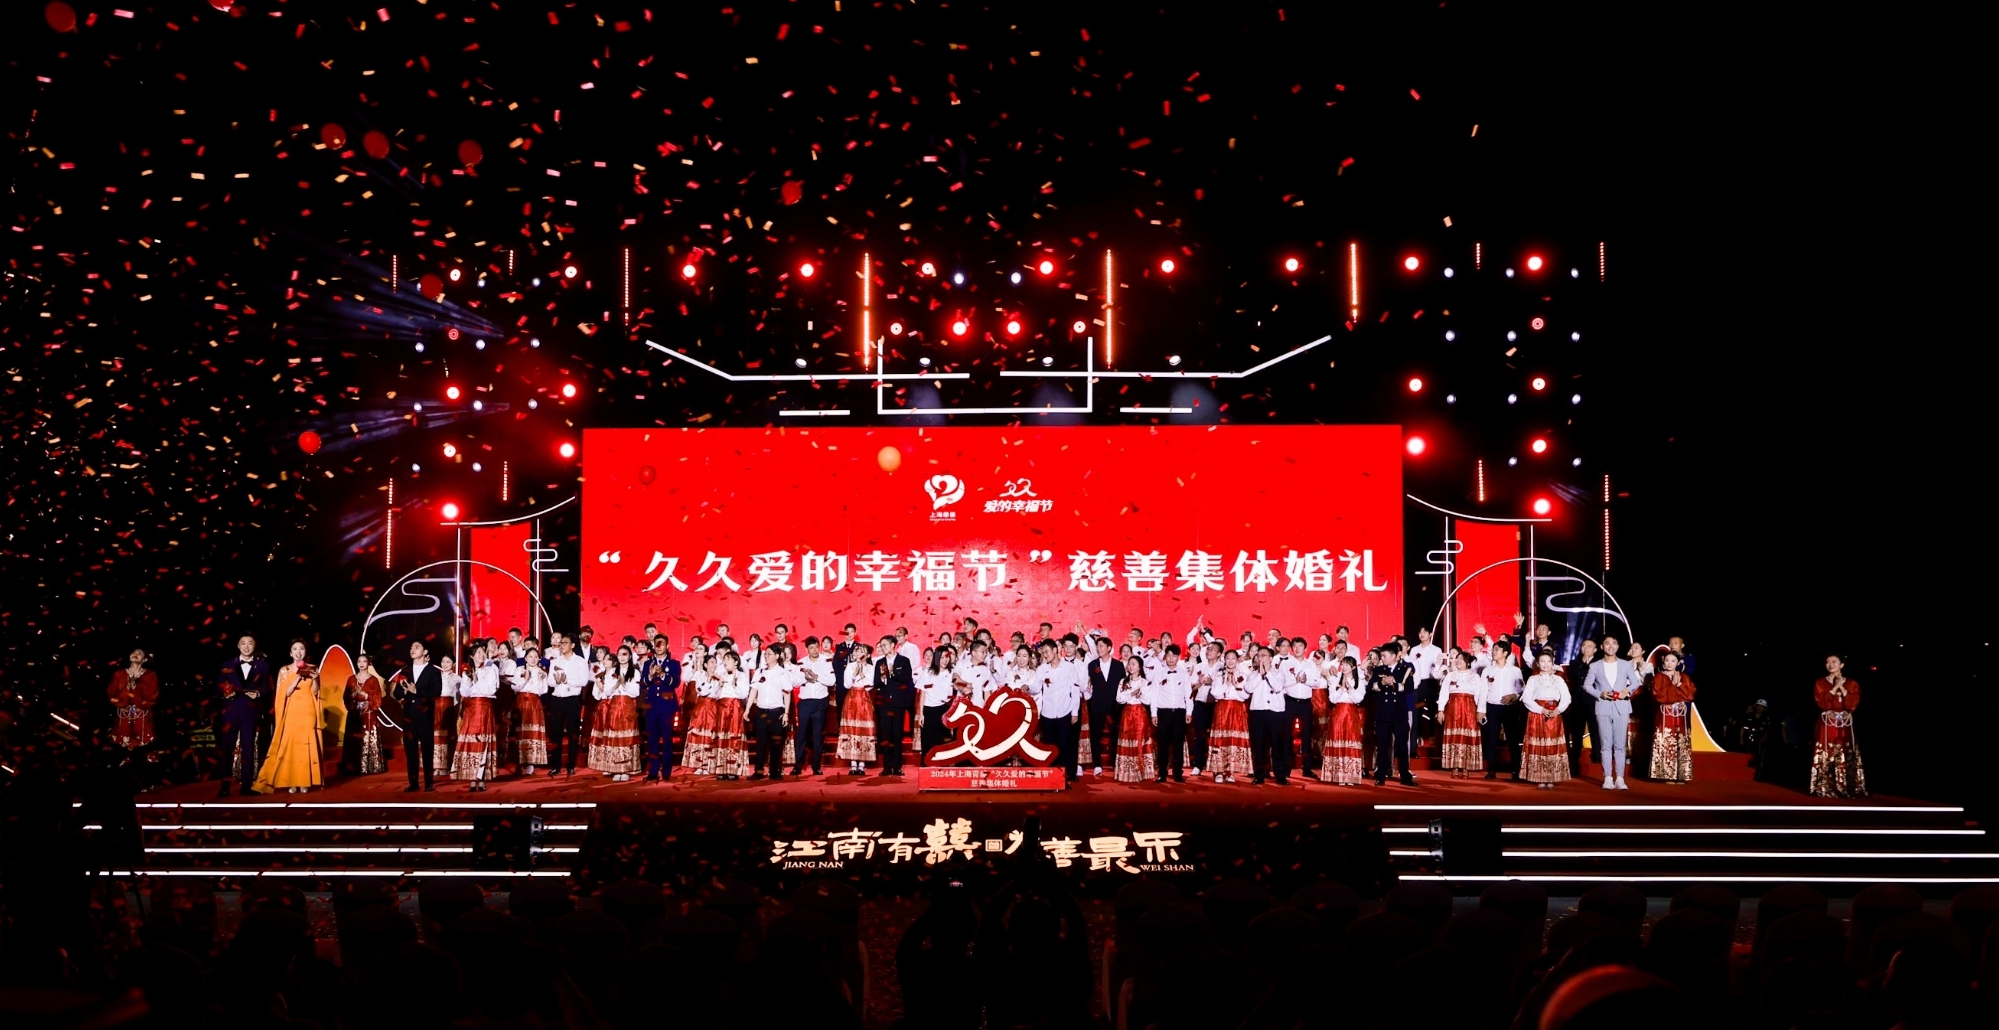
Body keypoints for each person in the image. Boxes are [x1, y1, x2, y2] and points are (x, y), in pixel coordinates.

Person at [253, 639, 324, 794]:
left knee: (305, 746)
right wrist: (297, 678)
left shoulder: (312, 668)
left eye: (301, 649)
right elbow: (284, 693)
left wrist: (315, 679)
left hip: (308, 710)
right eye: (295, 649)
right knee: (291, 746)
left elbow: (315, 692)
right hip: (292, 712)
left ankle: (304, 781)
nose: (298, 652)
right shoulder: (284, 670)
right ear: (290, 653)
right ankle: (291, 781)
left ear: (305, 652)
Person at [216, 634, 273, 797]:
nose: (246, 646)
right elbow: (218, 685)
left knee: (248, 749)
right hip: (231, 712)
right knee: (227, 749)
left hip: (251, 711)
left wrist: (258, 693)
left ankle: (246, 785)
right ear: (238, 646)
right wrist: (225, 691)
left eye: (250, 643)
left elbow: (267, 688)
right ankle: (224, 786)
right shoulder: (227, 664)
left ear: (254, 646)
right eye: (243, 643)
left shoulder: (263, 666)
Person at [1583, 634, 1641, 790]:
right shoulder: (1595, 666)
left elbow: (1636, 682)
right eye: (1607, 643)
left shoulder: (1625, 665)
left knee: (1620, 745)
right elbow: (1587, 686)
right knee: (1605, 745)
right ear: (1602, 646)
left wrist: (1626, 691)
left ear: (1618, 646)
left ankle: (1620, 778)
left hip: (1622, 707)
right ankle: (1607, 777)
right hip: (1603, 707)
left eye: (1614, 643)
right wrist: (1600, 694)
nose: (1611, 646)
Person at [1809, 653, 1866, 798]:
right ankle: (1825, 786)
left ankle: (1848, 786)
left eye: (1834, 661)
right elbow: (1822, 702)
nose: (1830, 664)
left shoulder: (1851, 683)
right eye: (1827, 662)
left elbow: (1853, 703)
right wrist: (1835, 687)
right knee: (1826, 750)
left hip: (1844, 724)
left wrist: (1843, 689)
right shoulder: (1820, 683)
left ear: (1842, 665)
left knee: (1846, 750)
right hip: (1827, 724)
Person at [1027, 640, 1081, 783]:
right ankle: (1052, 775)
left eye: (1047, 652)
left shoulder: (1069, 668)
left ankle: (1066, 775)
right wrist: (1028, 688)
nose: (1045, 655)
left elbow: (1075, 690)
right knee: (1050, 745)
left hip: (1065, 711)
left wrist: (1075, 712)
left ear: (1055, 650)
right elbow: (1036, 687)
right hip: (1048, 713)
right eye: (1043, 653)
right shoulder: (1042, 669)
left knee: (1065, 744)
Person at [392, 640, 442, 791]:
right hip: (408, 716)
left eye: (417, 647)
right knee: (410, 750)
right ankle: (413, 783)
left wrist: (417, 691)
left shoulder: (433, 671)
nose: (413, 649)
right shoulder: (405, 671)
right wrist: (404, 691)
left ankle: (429, 782)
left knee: (427, 749)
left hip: (425, 716)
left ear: (425, 651)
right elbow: (396, 693)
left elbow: (436, 692)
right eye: (411, 647)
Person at [588, 646, 643, 781]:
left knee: (627, 738)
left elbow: (636, 692)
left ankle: (626, 769)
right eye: (620, 654)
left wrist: (624, 684)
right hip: (614, 706)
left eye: (625, 654)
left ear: (629, 656)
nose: (622, 657)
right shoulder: (612, 672)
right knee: (614, 737)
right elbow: (607, 692)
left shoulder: (635, 672)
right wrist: (614, 685)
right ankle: (615, 768)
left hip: (627, 706)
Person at [1519, 652, 1573, 789]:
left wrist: (1558, 710)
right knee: (1539, 745)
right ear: (1537, 663)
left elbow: (1567, 698)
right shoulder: (1533, 679)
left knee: (1552, 745)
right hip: (1537, 715)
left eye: (1548, 661)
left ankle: (1552, 777)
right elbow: (1526, 698)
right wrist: (1541, 710)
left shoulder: (1559, 679)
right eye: (1542, 661)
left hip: (1554, 715)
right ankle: (1539, 777)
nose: (1546, 664)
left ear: (1553, 662)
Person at [452, 644, 500, 790]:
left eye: (483, 652)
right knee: (471, 742)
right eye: (478, 652)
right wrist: (470, 681)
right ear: (472, 656)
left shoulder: (491, 669)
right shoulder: (467, 671)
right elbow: (464, 692)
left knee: (483, 742)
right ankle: (472, 778)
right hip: (471, 711)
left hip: (485, 709)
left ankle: (482, 777)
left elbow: (491, 689)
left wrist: (476, 685)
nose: (482, 655)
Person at [747, 643, 798, 780]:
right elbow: (754, 690)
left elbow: (787, 694)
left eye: (769, 654)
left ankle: (775, 771)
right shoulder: (760, 671)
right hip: (761, 712)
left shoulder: (783, 673)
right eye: (765, 654)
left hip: (776, 712)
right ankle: (758, 771)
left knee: (776, 743)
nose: (766, 657)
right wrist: (747, 709)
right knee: (761, 743)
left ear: (776, 656)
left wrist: (786, 713)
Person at [1370, 643, 1417, 786]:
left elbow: (1409, 688)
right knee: (1382, 746)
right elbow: (1371, 688)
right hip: (1383, 713)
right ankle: (1380, 775)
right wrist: (1381, 683)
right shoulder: (1379, 670)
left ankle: (1405, 775)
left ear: (1394, 656)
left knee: (1402, 746)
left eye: (1384, 655)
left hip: (1399, 714)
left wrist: (1394, 685)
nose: (1382, 658)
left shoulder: (1405, 670)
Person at [545, 634, 591, 777]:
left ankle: (571, 765)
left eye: (565, 643)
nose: (562, 645)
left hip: (572, 700)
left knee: (572, 734)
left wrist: (567, 680)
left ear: (572, 645)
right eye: (561, 643)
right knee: (555, 734)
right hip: (556, 700)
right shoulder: (555, 661)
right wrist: (556, 681)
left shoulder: (580, 661)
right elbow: (550, 682)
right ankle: (556, 766)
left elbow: (583, 681)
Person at [1244, 649, 1291, 785]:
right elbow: (1248, 689)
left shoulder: (1279, 673)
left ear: (1271, 658)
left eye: (1264, 656)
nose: (1261, 658)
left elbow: (1277, 687)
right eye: (1258, 656)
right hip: (1258, 712)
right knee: (1258, 745)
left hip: (1276, 713)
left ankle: (1280, 775)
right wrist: (1260, 674)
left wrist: (1268, 673)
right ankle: (1259, 775)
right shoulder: (1253, 674)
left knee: (1277, 745)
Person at [1277, 638, 1323, 776]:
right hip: (1290, 702)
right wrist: (1295, 680)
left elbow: (1317, 682)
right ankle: (1286, 768)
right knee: (1287, 735)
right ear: (1292, 649)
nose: (1297, 649)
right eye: (1295, 646)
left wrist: (1305, 681)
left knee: (1307, 735)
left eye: (1300, 646)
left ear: (1305, 648)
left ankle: (1307, 768)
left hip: (1305, 703)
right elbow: (1281, 683)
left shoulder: (1311, 664)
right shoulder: (1286, 664)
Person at [1648, 652, 1697, 783]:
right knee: (1666, 741)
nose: (1669, 663)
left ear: (1678, 663)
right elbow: (1659, 695)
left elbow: (1690, 695)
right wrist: (1674, 687)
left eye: (1673, 661)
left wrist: (1680, 685)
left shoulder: (1684, 677)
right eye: (1667, 660)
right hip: (1665, 715)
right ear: (1663, 661)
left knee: (1681, 742)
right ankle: (1667, 774)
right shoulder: (1659, 677)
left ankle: (1681, 775)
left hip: (1680, 716)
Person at [1206, 651, 1253, 783]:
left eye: (1233, 658)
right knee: (1221, 738)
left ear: (1237, 660)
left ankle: (1230, 771)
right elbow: (1215, 693)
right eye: (1228, 658)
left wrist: (1236, 686)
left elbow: (1245, 695)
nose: (1230, 661)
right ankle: (1218, 771)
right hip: (1222, 708)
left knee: (1233, 739)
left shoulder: (1243, 675)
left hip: (1237, 709)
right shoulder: (1218, 674)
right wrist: (1226, 685)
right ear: (1224, 660)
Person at [1319, 655, 1366, 784]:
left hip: (1351, 714)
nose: (1344, 667)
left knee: (1350, 741)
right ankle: (1337, 775)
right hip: (1338, 714)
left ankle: (1350, 776)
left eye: (1347, 664)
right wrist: (1341, 688)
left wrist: (1349, 688)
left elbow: (1358, 699)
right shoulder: (1335, 679)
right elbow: (1333, 699)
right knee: (1338, 739)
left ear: (1353, 667)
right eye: (1343, 664)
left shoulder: (1359, 681)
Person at [1437, 652, 1485, 778]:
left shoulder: (1475, 676)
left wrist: (1480, 711)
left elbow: (1479, 695)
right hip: (1453, 708)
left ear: (1468, 662)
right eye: (1457, 658)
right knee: (1454, 736)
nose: (1458, 661)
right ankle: (1454, 766)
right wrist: (1440, 710)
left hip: (1469, 709)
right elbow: (1443, 693)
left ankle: (1466, 766)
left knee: (1467, 736)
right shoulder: (1450, 675)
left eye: (1461, 659)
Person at [873, 637, 916, 776]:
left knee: (897, 735)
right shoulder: (879, 662)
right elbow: (876, 682)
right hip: (884, 704)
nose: (882, 647)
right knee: (886, 735)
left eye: (885, 645)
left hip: (898, 703)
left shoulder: (903, 661)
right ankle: (887, 766)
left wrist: (892, 673)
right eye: (881, 645)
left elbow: (907, 678)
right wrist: (883, 679)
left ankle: (897, 766)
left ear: (893, 645)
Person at [1481, 646, 1525, 779]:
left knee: (1513, 739)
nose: (1494, 652)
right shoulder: (1487, 670)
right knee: (1491, 739)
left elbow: (1521, 689)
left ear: (1505, 653)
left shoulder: (1515, 670)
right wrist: (1481, 710)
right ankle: (1491, 770)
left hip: (1510, 708)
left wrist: (1513, 695)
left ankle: (1515, 771)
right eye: (1493, 650)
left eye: (1497, 650)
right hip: (1492, 707)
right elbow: (1483, 691)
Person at [1149, 645, 1193, 783]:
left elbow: (1188, 694)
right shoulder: (1159, 674)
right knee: (1163, 745)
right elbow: (1154, 695)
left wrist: (1189, 712)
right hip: (1163, 712)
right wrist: (1154, 714)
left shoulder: (1184, 674)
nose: (1171, 658)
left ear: (1178, 657)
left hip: (1179, 713)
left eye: (1174, 656)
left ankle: (1178, 773)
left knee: (1178, 744)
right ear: (1165, 657)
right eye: (1168, 655)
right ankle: (1162, 773)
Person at [641, 637, 682, 782]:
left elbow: (675, 683)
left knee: (667, 740)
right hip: (651, 707)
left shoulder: (674, 663)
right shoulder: (648, 664)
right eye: (656, 644)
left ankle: (666, 772)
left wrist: (663, 674)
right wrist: (651, 675)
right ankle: (653, 771)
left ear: (667, 646)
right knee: (652, 740)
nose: (659, 647)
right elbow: (643, 684)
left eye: (662, 644)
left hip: (667, 707)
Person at [793, 637, 834, 776]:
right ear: (807, 649)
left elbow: (832, 681)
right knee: (801, 735)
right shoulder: (801, 662)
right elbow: (794, 681)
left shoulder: (826, 661)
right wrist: (805, 678)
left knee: (818, 735)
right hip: (805, 702)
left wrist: (817, 677)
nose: (815, 650)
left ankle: (816, 766)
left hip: (820, 702)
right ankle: (798, 766)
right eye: (811, 648)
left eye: (816, 647)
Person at [1085, 636, 1126, 777]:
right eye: (1097, 646)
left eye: (1102, 646)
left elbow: (1122, 685)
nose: (1099, 649)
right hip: (1096, 705)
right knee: (1095, 736)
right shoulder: (1092, 665)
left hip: (1114, 706)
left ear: (1109, 648)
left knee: (1115, 735)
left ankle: (1115, 762)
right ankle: (1097, 764)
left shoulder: (1118, 665)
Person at [836, 643, 878, 775]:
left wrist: (862, 675)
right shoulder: (850, 666)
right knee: (851, 729)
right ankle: (853, 764)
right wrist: (855, 674)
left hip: (864, 698)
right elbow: (846, 684)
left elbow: (871, 684)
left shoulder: (871, 668)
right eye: (857, 651)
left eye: (862, 651)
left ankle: (862, 764)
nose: (859, 653)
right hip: (851, 698)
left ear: (868, 655)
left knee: (863, 729)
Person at [1113, 656, 1156, 784]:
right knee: (1126, 739)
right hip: (1127, 714)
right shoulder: (1123, 681)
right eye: (1129, 664)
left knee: (1139, 740)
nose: (1130, 666)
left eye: (1133, 664)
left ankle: (1141, 772)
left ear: (1140, 667)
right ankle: (1126, 773)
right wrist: (1132, 693)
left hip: (1140, 714)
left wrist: (1140, 694)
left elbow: (1148, 700)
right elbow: (1119, 698)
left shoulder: (1145, 682)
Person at [346, 653, 389, 775]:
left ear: (368, 663)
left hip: (369, 714)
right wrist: (353, 695)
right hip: (355, 714)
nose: (361, 664)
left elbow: (378, 698)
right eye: (359, 661)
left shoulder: (373, 680)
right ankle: (354, 766)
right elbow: (346, 697)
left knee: (369, 738)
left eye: (364, 661)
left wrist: (364, 694)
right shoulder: (351, 679)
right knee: (354, 739)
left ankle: (370, 766)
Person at [109, 647, 160, 749]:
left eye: (139, 653)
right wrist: (122, 702)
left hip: (142, 714)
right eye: (133, 652)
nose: (135, 654)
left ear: (145, 659)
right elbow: (111, 693)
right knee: (121, 742)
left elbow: (153, 694)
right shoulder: (119, 674)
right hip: (123, 713)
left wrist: (141, 703)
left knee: (143, 743)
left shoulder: (150, 675)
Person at [1563, 638, 1600, 777]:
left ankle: (1597, 757)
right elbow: (1572, 675)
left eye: (1590, 646)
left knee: (1595, 730)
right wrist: (1583, 663)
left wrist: (1588, 664)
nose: (1586, 648)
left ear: (1595, 650)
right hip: (1577, 702)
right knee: (1577, 732)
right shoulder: (1575, 663)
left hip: (1593, 702)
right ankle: (1574, 759)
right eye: (1584, 645)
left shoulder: (1599, 663)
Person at [1187, 640, 1223, 778]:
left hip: (1216, 704)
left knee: (1217, 736)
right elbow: (1191, 687)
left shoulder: (1222, 667)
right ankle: (1198, 765)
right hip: (1201, 703)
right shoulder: (1199, 666)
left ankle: (1217, 768)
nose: (1209, 651)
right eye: (1208, 649)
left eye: (1212, 649)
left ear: (1219, 653)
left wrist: (1213, 682)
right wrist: (1200, 682)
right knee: (1199, 735)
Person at [512, 646, 549, 775]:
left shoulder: (541, 672)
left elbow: (543, 690)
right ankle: (519, 761)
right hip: (521, 703)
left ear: (539, 658)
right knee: (520, 733)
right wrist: (525, 679)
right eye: (530, 656)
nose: (533, 659)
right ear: (526, 658)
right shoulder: (519, 670)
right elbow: (515, 687)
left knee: (531, 733)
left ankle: (531, 763)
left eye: (536, 656)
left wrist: (541, 678)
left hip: (534, 704)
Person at [918, 646, 958, 763]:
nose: (945, 660)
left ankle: (941, 767)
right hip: (929, 710)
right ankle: (926, 766)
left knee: (942, 740)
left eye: (947, 657)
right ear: (937, 658)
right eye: (942, 657)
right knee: (928, 740)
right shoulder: (927, 673)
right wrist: (921, 714)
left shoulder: (952, 673)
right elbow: (922, 694)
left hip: (944, 710)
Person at [432, 654, 461, 776]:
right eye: (443, 661)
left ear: (453, 664)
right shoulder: (436, 676)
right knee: (436, 736)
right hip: (436, 707)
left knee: (448, 736)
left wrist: (456, 711)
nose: (444, 664)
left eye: (448, 662)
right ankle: (436, 766)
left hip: (448, 708)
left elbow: (458, 697)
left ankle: (446, 766)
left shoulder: (457, 678)